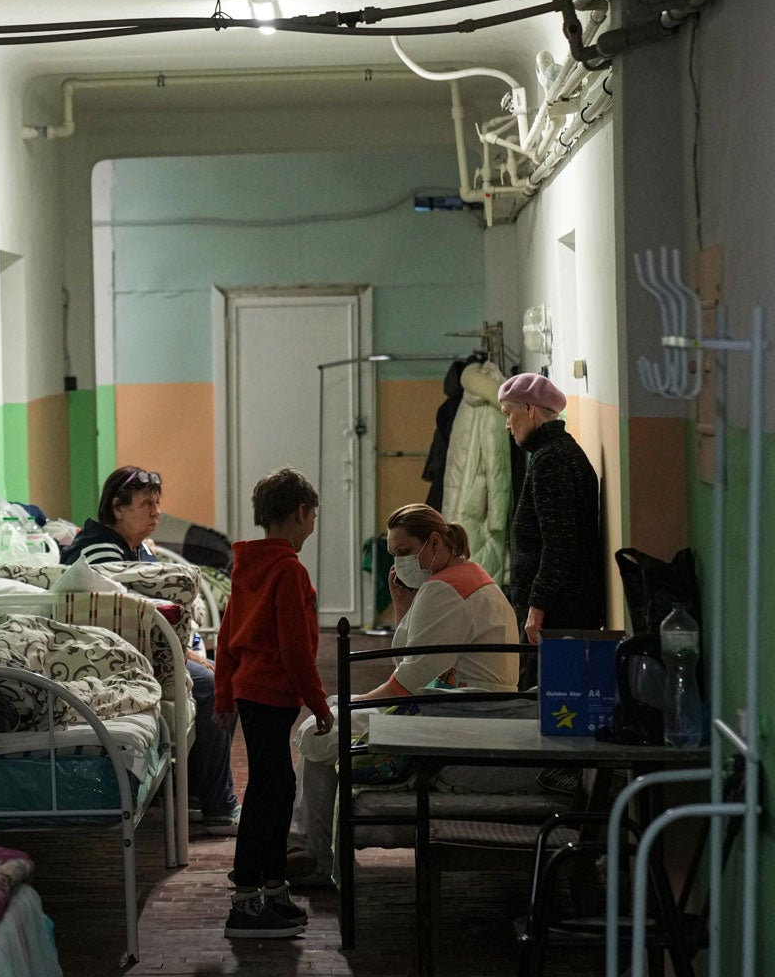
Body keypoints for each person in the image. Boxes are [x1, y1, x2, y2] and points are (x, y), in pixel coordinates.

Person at [284, 502, 520, 885]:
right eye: (393, 555)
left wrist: (360, 702)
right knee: (329, 716)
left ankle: (311, 853)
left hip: (453, 717)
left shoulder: (443, 590)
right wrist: (403, 607)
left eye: (405, 552)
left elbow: (407, 680)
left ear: (435, 542)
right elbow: (413, 663)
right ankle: (308, 848)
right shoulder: (469, 576)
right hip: (461, 708)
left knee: (319, 730)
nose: (399, 563)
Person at [62, 465, 241, 833]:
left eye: (158, 503)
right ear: (118, 508)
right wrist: (190, 657)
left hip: (141, 652)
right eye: (147, 504)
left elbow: (165, 611)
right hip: (111, 660)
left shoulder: (135, 548)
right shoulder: (99, 556)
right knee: (212, 685)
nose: (157, 512)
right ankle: (217, 807)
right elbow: (123, 624)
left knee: (221, 675)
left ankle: (196, 790)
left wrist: (191, 651)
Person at [213, 467, 332, 938]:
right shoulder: (288, 570)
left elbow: (225, 640)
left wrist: (224, 696)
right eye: (313, 515)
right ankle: (246, 899)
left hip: (252, 694)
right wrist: (319, 703)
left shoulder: (246, 567)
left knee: (275, 790)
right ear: (301, 513)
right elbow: (295, 647)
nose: (313, 523)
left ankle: (272, 887)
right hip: (271, 695)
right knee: (269, 794)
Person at [496, 373, 604, 642]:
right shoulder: (557, 451)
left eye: (508, 413)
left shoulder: (552, 460)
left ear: (529, 409)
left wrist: (537, 606)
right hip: (564, 607)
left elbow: (560, 543)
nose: (507, 425)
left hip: (559, 614)